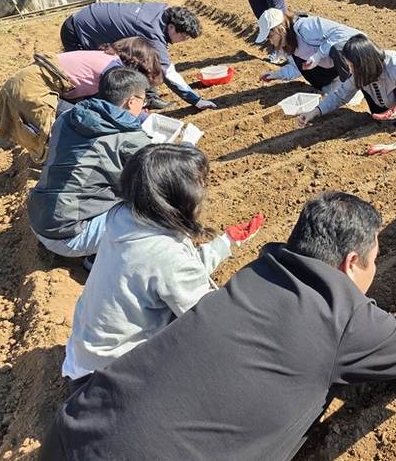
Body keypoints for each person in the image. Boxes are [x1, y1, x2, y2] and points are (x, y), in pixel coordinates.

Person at [39, 191, 396, 460]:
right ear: (352, 262)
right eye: (376, 259)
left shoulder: (256, 275)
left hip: (74, 431)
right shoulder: (342, 316)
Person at [62, 143, 263, 393]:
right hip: (105, 381)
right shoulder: (164, 255)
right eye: (199, 186)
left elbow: (174, 274)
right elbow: (210, 319)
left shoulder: (124, 222)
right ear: (176, 197)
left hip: (82, 360)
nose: (203, 194)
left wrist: (226, 242)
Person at [27, 67, 201, 266]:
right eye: (143, 101)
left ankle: (98, 247)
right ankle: (101, 259)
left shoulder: (69, 116)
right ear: (131, 101)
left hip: (39, 215)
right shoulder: (129, 138)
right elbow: (171, 173)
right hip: (66, 236)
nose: (143, 107)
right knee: (154, 210)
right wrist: (187, 144)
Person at [0, 38, 162, 162]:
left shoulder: (108, 59)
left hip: (27, 82)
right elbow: (110, 109)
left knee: (77, 121)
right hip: (33, 89)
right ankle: (64, 169)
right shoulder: (113, 69)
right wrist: (142, 119)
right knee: (72, 126)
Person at [60, 1, 214, 111]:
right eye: (184, 37)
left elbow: (149, 63)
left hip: (91, 18)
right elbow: (167, 72)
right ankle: (90, 113)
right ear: (172, 27)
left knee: (140, 60)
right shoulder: (153, 32)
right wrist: (197, 101)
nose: (184, 41)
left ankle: (148, 98)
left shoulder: (163, 11)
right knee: (98, 79)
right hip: (78, 30)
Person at [297, 34, 396, 139]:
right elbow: (340, 95)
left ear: (364, 63)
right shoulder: (361, 73)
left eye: (351, 66)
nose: (350, 70)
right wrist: (315, 112)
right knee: (373, 101)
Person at [254, 7, 362, 93]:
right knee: (306, 68)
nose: (271, 42)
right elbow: (296, 68)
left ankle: (352, 85)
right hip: (335, 69)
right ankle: (338, 86)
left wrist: (319, 54)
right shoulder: (287, 45)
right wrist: (277, 75)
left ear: (280, 30)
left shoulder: (306, 27)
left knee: (336, 48)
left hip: (358, 51)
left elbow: (341, 34)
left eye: (270, 37)